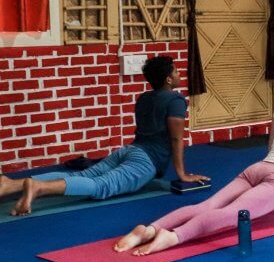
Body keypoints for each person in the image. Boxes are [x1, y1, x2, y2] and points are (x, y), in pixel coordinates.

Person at [114, 62, 274, 256]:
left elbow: (272, 143)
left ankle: (149, 229)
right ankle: (174, 237)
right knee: (231, 213)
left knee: (207, 205)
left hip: (259, 168)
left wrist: (273, 183)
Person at [0, 56, 207, 216]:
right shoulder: (176, 100)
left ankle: (10, 185)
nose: (180, 75)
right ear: (169, 79)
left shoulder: (144, 97)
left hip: (128, 151)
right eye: (177, 72)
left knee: (80, 175)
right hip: (145, 161)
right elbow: (176, 139)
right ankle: (38, 186)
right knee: (102, 186)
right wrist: (182, 174)